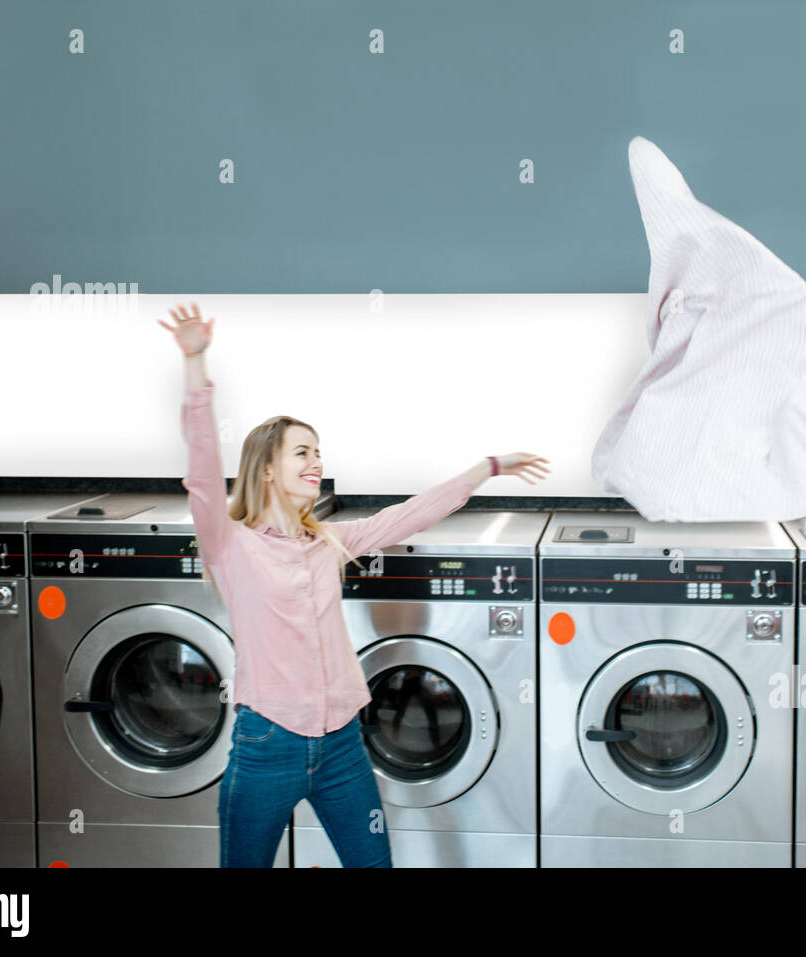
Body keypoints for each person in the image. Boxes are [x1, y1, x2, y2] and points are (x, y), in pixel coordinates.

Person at [159, 302, 550, 867]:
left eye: (318, 452)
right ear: (267, 468)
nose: (315, 461)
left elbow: (412, 514)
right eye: (302, 452)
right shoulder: (231, 544)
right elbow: (200, 467)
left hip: (342, 744)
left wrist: (486, 467)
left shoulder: (331, 541)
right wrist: (196, 365)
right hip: (268, 745)